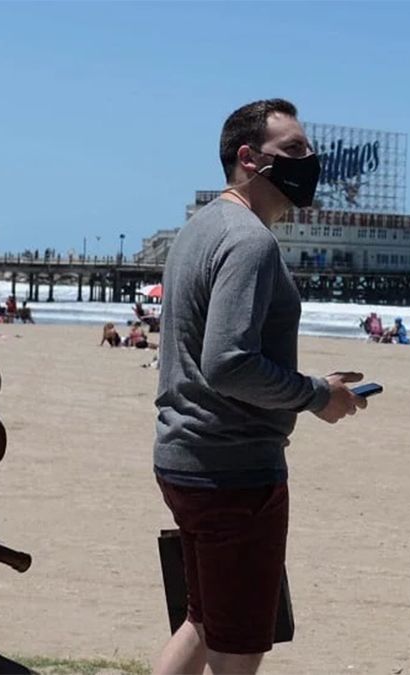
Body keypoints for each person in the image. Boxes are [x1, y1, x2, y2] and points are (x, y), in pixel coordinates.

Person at [152, 99, 366, 675]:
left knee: (202, 620)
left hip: (186, 457)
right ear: (248, 158)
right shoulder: (249, 241)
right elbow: (228, 363)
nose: (310, 160)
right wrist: (317, 395)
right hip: (234, 472)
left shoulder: (201, 227)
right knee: (239, 646)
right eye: (293, 149)